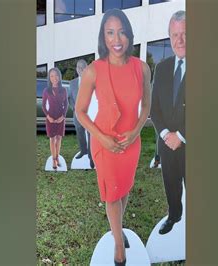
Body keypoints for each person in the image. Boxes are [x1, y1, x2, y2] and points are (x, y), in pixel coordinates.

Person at [75, 9, 151, 266]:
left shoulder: (141, 69)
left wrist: (137, 131)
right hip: (104, 142)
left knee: (125, 188)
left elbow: (146, 107)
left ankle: (116, 228)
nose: (116, 38)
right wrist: (102, 138)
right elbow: (80, 111)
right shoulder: (93, 71)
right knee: (111, 195)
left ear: (129, 34)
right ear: (103, 37)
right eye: (110, 32)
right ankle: (119, 243)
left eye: (121, 31)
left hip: (131, 143)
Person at [150, 10, 186, 235]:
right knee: (171, 185)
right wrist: (165, 134)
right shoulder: (162, 68)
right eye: (174, 35)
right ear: (169, 38)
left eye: (184, 34)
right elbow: (155, 109)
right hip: (167, 144)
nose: (179, 40)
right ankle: (174, 215)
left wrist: (180, 136)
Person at [68, 59, 94, 168]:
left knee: (90, 134)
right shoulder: (72, 83)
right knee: (80, 133)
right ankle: (83, 151)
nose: (81, 69)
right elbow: (70, 98)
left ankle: (91, 155)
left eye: (83, 67)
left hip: (89, 114)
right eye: (79, 67)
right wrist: (74, 108)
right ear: (76, 69)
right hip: (77, 115)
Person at [42, 68, 69, 170]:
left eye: (56, 75)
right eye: (52, 76)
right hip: (50, 117)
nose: (54, 78)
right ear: (49, 77)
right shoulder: (46, 91)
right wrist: (48, 116)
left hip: (60, 116)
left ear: (59, 76)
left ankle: (57, 157)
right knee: (52, 138)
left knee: (59, 138)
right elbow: (44, 106)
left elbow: (66, 104)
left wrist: (63, 116)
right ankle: (53, 159)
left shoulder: (63, 90)